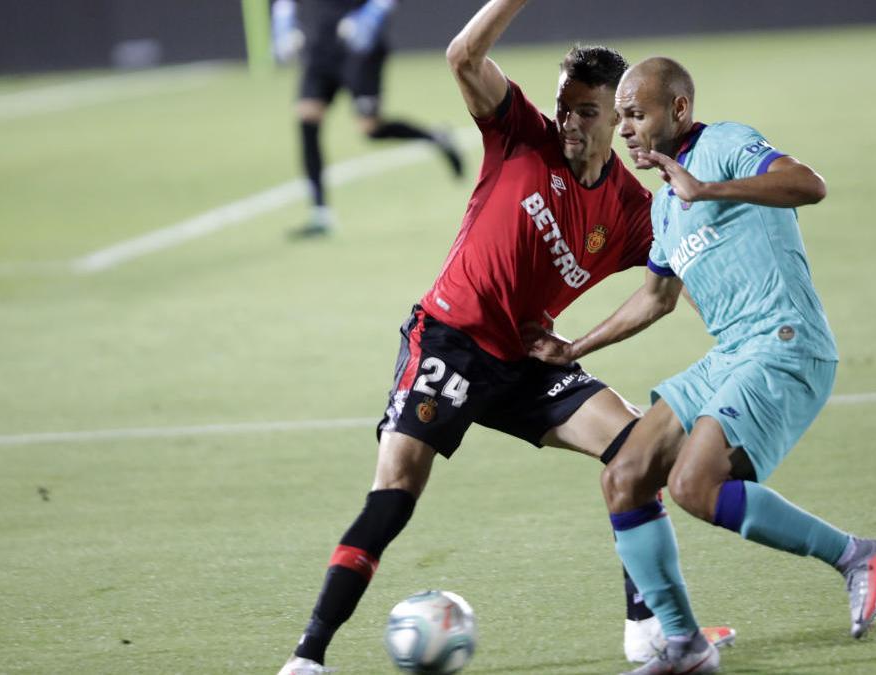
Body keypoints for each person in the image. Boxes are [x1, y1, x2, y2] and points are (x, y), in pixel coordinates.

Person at [275, 2, 742, 673]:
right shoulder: (521, 134)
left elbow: (683, 279)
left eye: (588, 110)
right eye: (565, 105)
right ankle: (308, 657)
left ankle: (649, 630)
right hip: (449, 342)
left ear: (619, 117)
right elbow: (462, 57)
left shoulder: (631, 212)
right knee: (396, 490)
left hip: (527, 359)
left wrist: (742, 335)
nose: (571, 121)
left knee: (640, 451)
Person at [525, 56, 876, 674]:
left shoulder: (724, 146)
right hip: (730, 354)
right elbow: (655, 298)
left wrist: (709, 189)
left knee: (695, 487)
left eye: (635, 115)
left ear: (678, 110)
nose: (624, 130)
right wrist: (574, 349)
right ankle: (683, 645)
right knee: (624, 474)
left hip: (783, 343)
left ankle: (857, 555)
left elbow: (808, 183)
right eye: (620, 118)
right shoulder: (664, 206)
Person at [270, 0, 465, 237]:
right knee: (307, 118)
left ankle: (436, 137)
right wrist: (283, 23)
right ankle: (320, 213)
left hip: (359, 51)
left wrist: (370, 16)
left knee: (370, 128)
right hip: (320, 47)